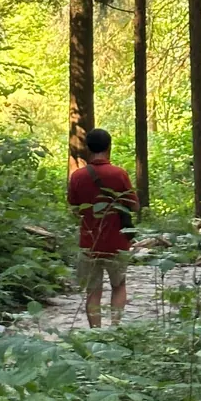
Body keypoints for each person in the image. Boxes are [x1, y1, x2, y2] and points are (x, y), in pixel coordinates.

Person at [67, 128, 138, 328]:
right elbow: (134, 205)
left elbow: (75, 207)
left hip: (89, 242)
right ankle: (114, 328)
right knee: (119, 285)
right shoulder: (119, 174)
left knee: (93, 291)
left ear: (88, 148)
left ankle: (95, 333)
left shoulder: (78, 176)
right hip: (117, 242)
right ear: (109, 147)